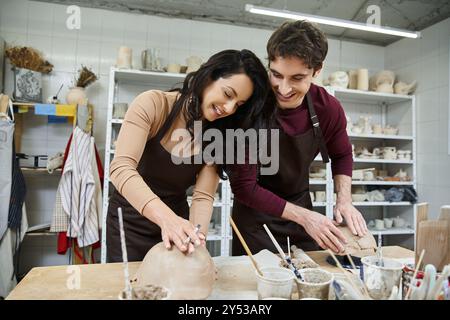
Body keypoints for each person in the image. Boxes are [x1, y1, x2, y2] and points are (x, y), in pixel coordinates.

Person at [106, 49, 273, 262]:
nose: (230, 108)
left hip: (179, 224)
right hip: (130, 224)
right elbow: (121, 168)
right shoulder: (154, 105)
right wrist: (166, 219)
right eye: (228, 94)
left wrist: (198, 235)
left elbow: (203, 196)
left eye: (238, 105)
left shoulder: (217, 136)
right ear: (208, 77)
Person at [228, 20, 368, 256]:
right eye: (276, 75)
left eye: (297, 78)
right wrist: (306, 218)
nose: (283, 88)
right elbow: (244, 186)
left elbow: (342, 153)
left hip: (301, 209)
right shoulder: (251, 105)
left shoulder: (327, 108)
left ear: (317, 71)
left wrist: (344, 200)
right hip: (254, 216)